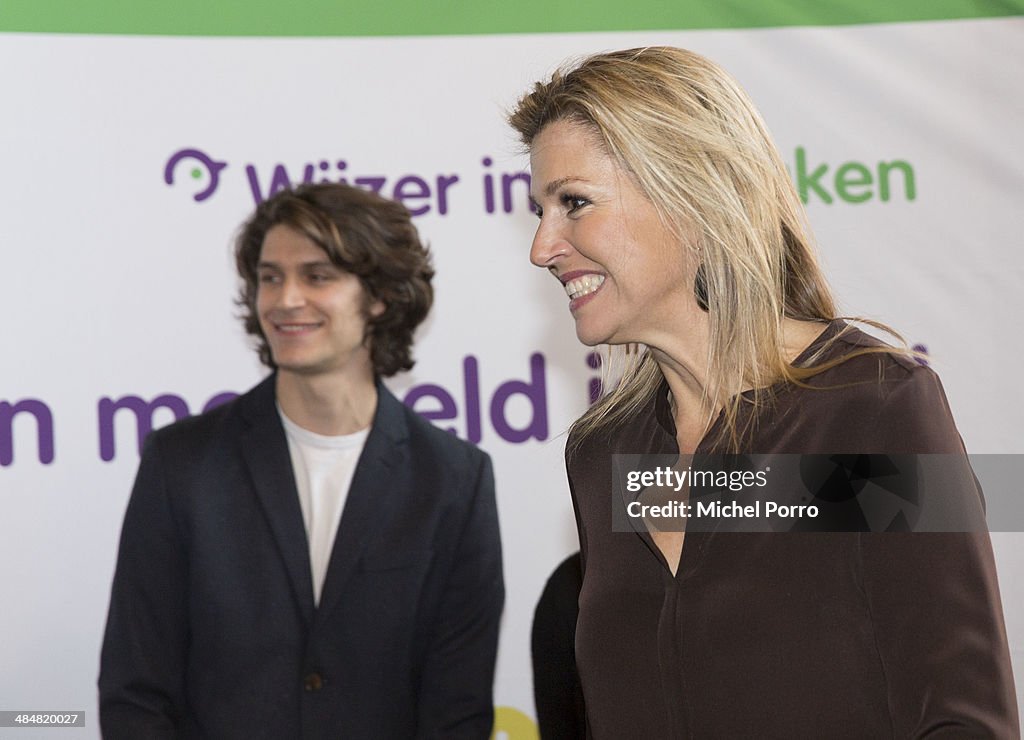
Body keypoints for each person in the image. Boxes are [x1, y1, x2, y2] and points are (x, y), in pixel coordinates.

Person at [510, 47, 1017, 737]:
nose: (543, 247)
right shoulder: (606, 454)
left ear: (691, 194)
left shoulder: (869, 408)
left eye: (574, 203)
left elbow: (961, 719)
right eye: (540, 210)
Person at [98, 183, 504, 739]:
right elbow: (135, 694)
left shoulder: (453, 479)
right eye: (270, 277)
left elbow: (457, 711)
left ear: (379, 297)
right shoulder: (183, 465)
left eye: (317, 276)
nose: (285, 299)